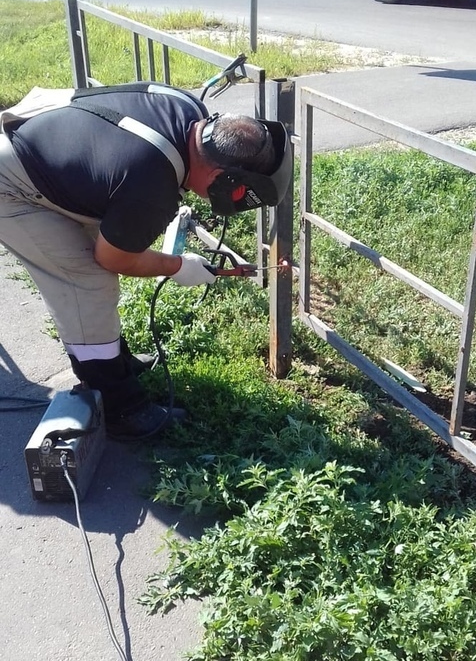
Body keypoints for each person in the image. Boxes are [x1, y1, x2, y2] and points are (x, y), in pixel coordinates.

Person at [0, 81, 292, 442]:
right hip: (11, 187)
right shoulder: (152, 185)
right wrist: (179, 266)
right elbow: (114, 258)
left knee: (100, 250)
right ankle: (121, 407)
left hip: (42, 144)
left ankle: (115, 362)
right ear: (220, 176)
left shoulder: (188, 109)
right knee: (86, 282)